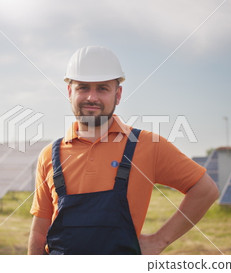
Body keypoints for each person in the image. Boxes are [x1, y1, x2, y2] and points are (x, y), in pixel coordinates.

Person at [28, 46, 219, 255]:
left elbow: (205, 190)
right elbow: (39, 232)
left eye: (102, 88)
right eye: (83, 87)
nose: (92, 97)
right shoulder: (50, 155)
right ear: (69, 92)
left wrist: (159, 240)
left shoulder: (147, 145)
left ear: (118, 95)